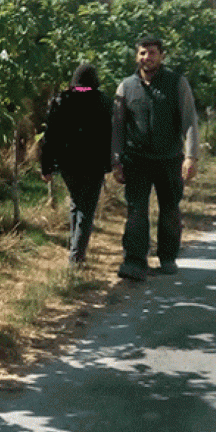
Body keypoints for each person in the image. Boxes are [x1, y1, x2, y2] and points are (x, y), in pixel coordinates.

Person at [112, 36, 199, 281]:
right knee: (136, 210)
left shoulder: (176, 83)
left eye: (151, 53)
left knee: (170, 209)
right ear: (136, 56)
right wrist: (116, 161)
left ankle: (168, 257)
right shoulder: (126, 87)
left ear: (161, 55)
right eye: (142, 53)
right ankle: (134, 261)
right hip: (137, 160)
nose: (146, 57)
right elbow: (117, 126)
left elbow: (189, 121)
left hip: (170, 159)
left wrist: (191, 156)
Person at [40, 63, 113, 269]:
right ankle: (77, 256)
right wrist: (113, 163)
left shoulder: (61, 100)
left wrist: (47, 166)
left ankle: (75, 250)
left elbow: (50, 136)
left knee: (76, 203)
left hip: (68, 164)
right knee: (86, 209)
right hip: (94, 164)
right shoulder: (103, 101)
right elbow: (111, 135)